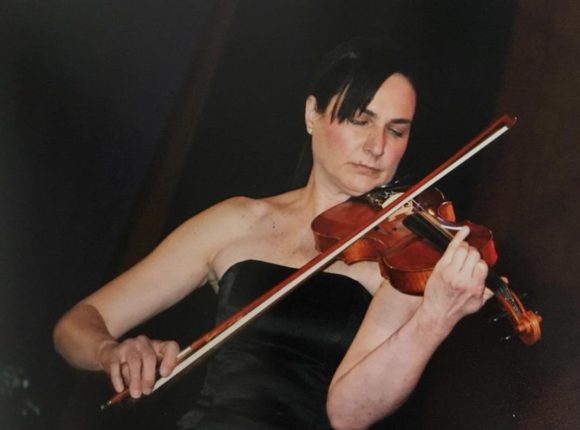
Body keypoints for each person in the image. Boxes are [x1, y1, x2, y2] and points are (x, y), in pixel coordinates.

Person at [53, 38, 492, 430]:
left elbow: (349, 414)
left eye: (396, 131)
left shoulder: (403, 258)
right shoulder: (238, 221)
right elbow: (77, 324)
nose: (377, 147)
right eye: (360, 120)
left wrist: (436, 318)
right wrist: (109, 352)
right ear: (312, 114)